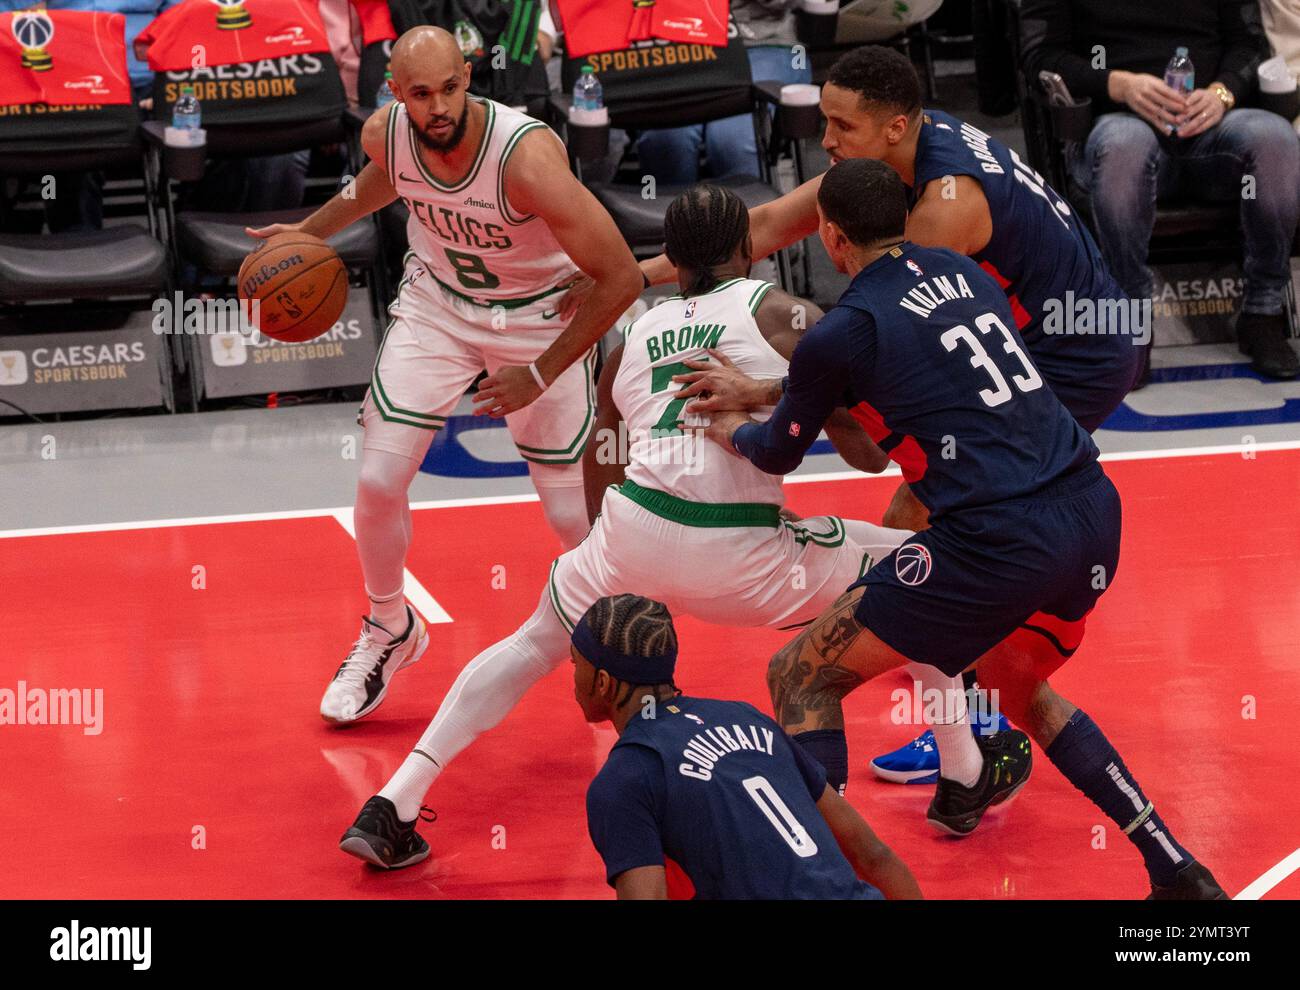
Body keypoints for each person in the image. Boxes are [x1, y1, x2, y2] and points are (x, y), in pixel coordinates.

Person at [335, 184, 931, 868]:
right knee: (924, 569)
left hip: (632, 533)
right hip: (747, 557)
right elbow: (868, 455)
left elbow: (603, 450)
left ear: (672, 261)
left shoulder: (634, 336)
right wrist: (813, 397)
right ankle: (964, 757)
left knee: (531, 645)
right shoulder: (783, 313)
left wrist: (601, 548)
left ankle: (396, 803)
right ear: (748, 250)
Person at [689, 158, 1225, 898]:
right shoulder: (958, 270)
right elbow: (908, 360)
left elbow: (782, 443)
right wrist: (773, 387)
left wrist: (734, 431)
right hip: (1091, 509)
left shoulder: (839, 332)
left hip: (994, 540)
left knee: (801, 676)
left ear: (830, 238)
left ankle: (828, 888)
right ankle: (1175, 867)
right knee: (1014, 689)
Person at [651, 43, 1144, 794]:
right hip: (1039, 334)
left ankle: (977, 728)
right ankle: (960, 697)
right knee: (921, 525)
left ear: (893, 126)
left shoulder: (944, 209)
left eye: (839, 125)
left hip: (1072, 353)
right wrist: (635, 269)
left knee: (941, 513)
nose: (826, 140)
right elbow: (768, 226)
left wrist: (757, 396)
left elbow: (887, 353)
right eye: (826, 120)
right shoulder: (901, 151)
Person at [247, 26, 643, 725]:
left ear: (470, 76)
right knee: (376, 478)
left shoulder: (526, 159)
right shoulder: (385, 134)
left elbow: (620, 276)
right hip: (440, 310)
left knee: (570, 519)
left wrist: (542, 371)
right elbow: (385, 178)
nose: (438, 107)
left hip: (537, 322)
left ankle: (623, 658)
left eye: (451, 88)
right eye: (420, 94)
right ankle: (388, 627)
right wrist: (309, 232)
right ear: (394, 94)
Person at [574, 594, 922, 900]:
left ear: (602, 681)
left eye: (577, 664)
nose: (573, 677)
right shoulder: (747, 717)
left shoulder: (625, 778)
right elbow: (874, 855)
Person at [1022, 0, 1300, 380]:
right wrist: (1117, 84)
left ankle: (1263, 313)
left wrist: (1223, 92)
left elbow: (1249, 44)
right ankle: (1132, 321)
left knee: (1275, 139)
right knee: (1123, 146)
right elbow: (1040, 57)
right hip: (1116, 119)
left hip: (1214, 125)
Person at [636, 1, 814, 184]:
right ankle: (671, 212)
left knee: (732, 140)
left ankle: (748, 211)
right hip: (675, 41)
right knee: (665, 139)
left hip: (761, 41)